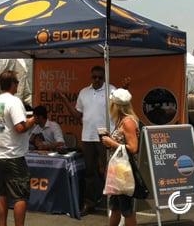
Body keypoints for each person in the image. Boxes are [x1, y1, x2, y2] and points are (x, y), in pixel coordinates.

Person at [60, 66, 128, 214]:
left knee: (109, 170)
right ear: (91, 77)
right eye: (94, 77)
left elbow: (121, 105)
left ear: (104, 77)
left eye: (100, 77)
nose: (97, 79)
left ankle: (112, 204)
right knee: (90, 172)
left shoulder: (111, 89)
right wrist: (65, 100)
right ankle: (89, 202)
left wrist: (125, 88)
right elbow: (78, 115)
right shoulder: (84, 92)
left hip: (106, 137)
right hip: (88, 137)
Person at [0, 70, 37, 226]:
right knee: (20, 196)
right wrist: (33, 120)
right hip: (14, 155)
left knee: (2, 195)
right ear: (12, 84)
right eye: (16, 82)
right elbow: (20, 128)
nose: (18, 85)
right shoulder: (14, 101)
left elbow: (1, 128)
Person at [100, 88, 139, 226]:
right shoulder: (121, 120)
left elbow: (133, 148)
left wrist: (112, 142)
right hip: (118, 169)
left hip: (124, 171)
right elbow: (122, 143)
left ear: (116, 105)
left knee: (126, 209)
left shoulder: (128, 122)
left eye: (111, 102)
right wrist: (110, 140)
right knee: (115, 207)